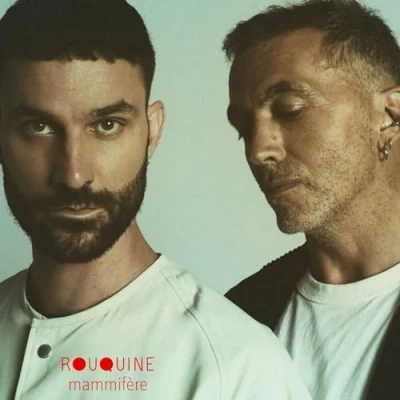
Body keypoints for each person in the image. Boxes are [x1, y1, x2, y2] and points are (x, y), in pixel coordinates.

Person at [0, 0, 313, 399]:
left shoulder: (237, 368)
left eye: (107, 125)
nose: (74, 175)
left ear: (152, 132)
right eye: (38, 127)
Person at [223, 0, 400, 399]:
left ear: (390, 115)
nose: (258, 150)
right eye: (244, 127)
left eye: (290, 111)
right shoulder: (236, 316)